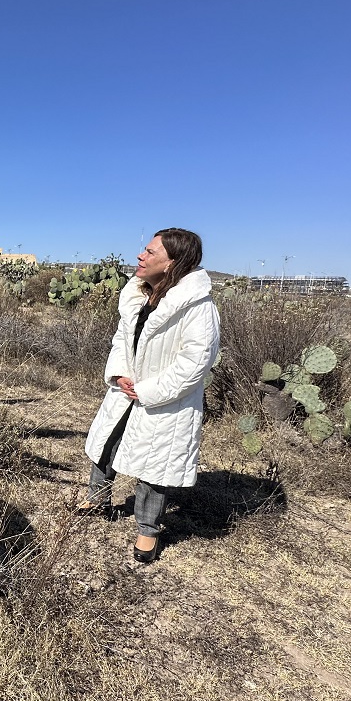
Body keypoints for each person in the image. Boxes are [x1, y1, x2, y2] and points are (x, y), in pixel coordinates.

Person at [78, 228, 220, 563]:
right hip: (127, 388)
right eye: (144, 249)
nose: (141, 256)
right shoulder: (138, 295)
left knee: (156, 466)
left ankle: (148, 530)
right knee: (107, 441)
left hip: (166, 400)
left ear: (174, 262)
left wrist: (146, 390)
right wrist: (120, 374)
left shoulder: (199, 308)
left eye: (151, 252)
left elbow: (195, 363)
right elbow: (121, 340)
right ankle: (97, 500)